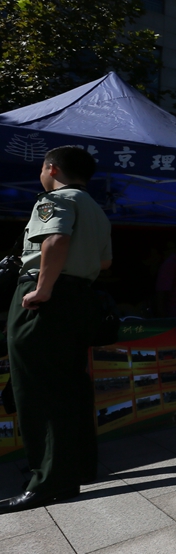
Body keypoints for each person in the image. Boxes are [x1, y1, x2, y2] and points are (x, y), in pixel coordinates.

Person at [2, 146, 111, 513]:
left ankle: (49, 480)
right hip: (80, 298)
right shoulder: (96, 209)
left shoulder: (55, 199)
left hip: (48, 298)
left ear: (51, 168)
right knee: (70, 385)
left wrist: (43, 289)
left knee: (38, 389)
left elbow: (55, 239)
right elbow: (105, 261)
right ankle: (77, 468)